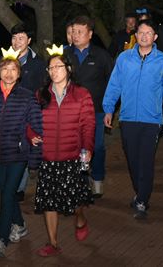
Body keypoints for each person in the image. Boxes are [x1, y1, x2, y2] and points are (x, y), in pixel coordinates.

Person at [102, 19, 163, 219]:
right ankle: (140, 192)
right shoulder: (124, 58)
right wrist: (108, 109)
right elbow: (114, 85)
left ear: (155, 37)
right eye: (141, 33)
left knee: (146, 160)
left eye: (148, 33)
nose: (144, 36)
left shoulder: (162, 61)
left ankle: (143, 199)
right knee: (133, 160)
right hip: (127, 118)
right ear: (136, 35)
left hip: (152, 119)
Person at [0, 50, 43, 257]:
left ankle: (1, 239)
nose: (9, 73)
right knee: (7, 193)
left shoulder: (27, 97)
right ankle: (20, 224)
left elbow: (37, 126)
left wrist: (34, 154)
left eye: (13, 69)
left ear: (19, 74)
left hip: (18, 153)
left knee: (6, 196)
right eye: (5, 69)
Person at [32, 50, 96, 257]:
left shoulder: (81, 94)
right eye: (51, 67)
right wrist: (31, 134)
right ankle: (53, 242)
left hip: (72, 157)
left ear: (68, 69)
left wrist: (87, 148)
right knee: (49, 202)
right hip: (48, 157)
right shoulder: (41, 95)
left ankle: (80, 219)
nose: (54, 71)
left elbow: (88, 124)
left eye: (58, 66)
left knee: (74, 201)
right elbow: (30, 121)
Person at [63, 16, 113, 198]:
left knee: (97, 146)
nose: (75, 35)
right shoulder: (65, 55)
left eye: (80, 32)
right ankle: (81, 183)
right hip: (72, 111)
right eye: (73, 32)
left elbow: (112, 83)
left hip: (97, 110)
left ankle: (97, 177)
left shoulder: (101, 55)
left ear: (90, 34)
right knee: (77, 147)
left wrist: (110, 108)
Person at [0, 21, 47, 93]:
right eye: (14, 38)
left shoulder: (38, 63)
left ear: (29, 40)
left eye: (20, 38)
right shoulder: (3, 60)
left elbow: (41, 91)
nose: (16, 42)